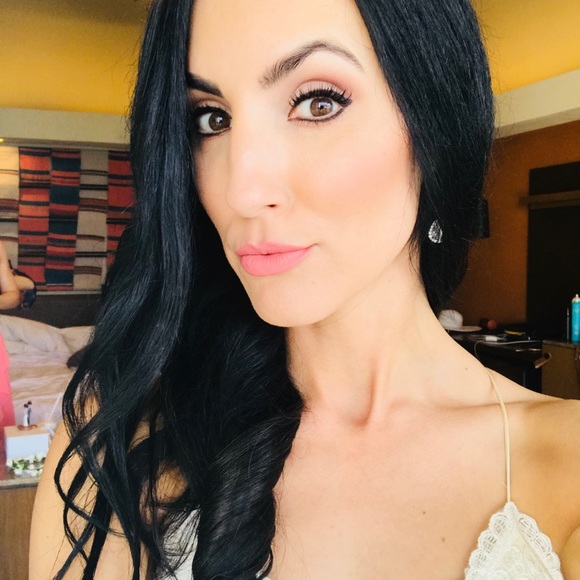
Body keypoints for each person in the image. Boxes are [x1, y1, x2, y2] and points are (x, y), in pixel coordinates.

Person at [30, 0, 580, 578]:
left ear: (434, 127)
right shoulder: (116, 435)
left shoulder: (564, 460)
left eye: (318, 102)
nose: (243, 191)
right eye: (211, 119)